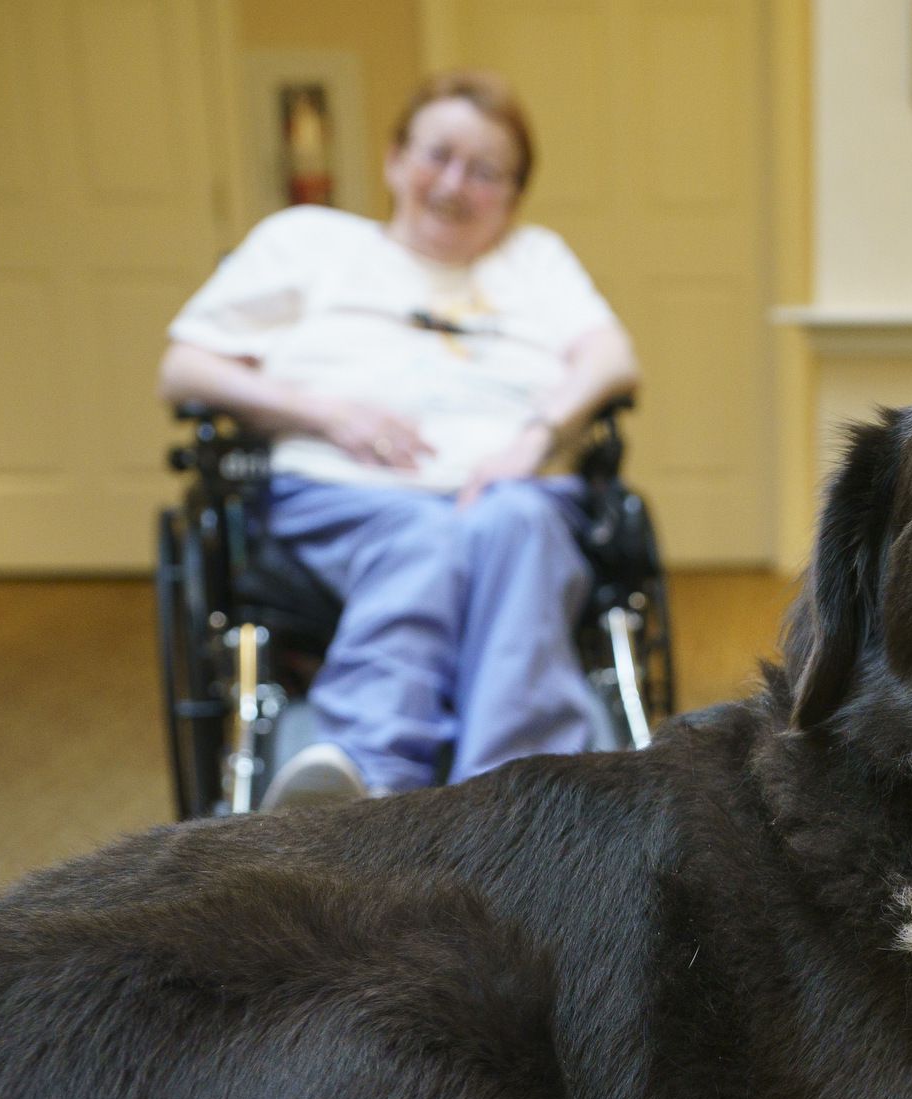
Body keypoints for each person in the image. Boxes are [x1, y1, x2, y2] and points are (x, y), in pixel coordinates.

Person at [159, 71, 639, 808]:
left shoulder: (534, 259)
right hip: (342, 495)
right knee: (430, 534)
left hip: (511, 495)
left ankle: (511, 800)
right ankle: (366, 780)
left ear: (512, 195)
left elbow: (612, 358)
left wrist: (534, 440)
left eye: (485, 172)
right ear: (392, 158)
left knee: (510, 520)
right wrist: (324, 411)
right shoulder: (308, 242)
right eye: (437, 155)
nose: (453, 185)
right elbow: (185, 367)